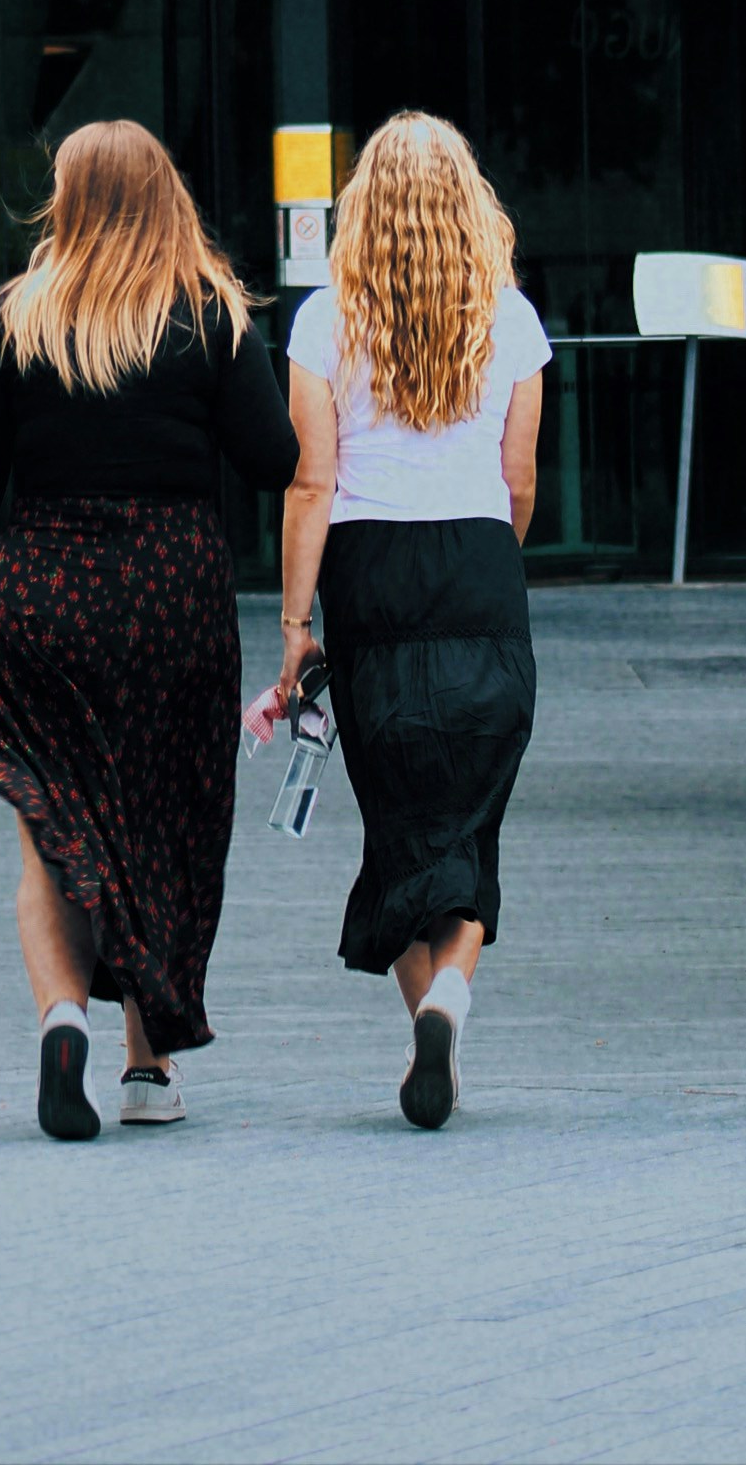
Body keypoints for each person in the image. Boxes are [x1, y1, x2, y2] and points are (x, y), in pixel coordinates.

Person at [0, 119, 298, 1142]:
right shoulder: (208, 313)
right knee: (159, 819)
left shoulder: (13, 316)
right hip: (173, 590)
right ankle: (146, 1066)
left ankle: (59, 1022)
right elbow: (272, 457)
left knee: (52, 823)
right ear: (168, 195)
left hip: (43, 588)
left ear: (67, 198)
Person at [277, 109, 549, 1130]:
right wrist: (494, 559)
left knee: (398, 820)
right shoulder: (511, 319)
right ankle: (451, 1000)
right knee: (471, 815)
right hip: (480, 559)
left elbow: (312, 480)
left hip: (369, 568)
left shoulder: (321, 319)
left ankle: (427, 1014)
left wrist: (297, 621)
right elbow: (520, 477)